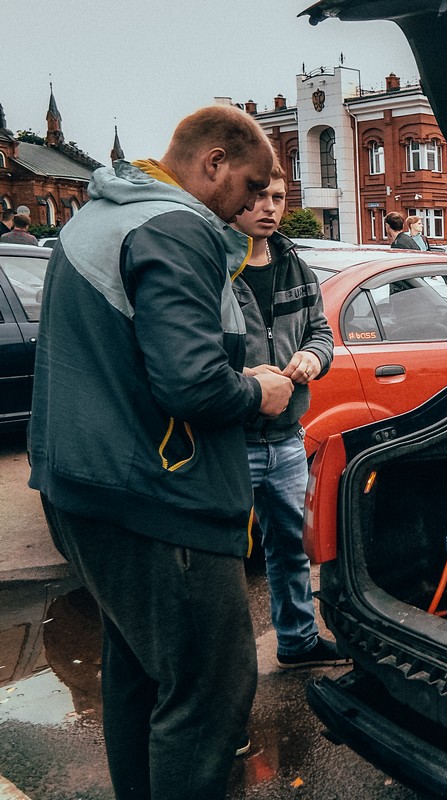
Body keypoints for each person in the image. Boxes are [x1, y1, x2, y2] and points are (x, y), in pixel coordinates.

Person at [27, 105, 291, 800]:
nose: (252, 205)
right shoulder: (176, 229)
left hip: (84, 490)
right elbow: (192, 384)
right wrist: (256, 391)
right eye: (250, 184)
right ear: (213, 164)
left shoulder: (98, 217)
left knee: (140, 673)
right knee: (209, 692)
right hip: (158, 502)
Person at [230, 165, 347, 671]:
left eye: (277, 196)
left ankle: (298, 644)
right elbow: (189, 358)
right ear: (235, 198)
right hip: (229, 442)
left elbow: (321, 332)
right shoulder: (212, 269)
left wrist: (315, 358)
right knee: (223, 563)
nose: (270, 207)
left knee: (290, 549)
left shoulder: (295, 266)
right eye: (258, 196)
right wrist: (244, 378)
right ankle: (225, 672)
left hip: (286, 440)